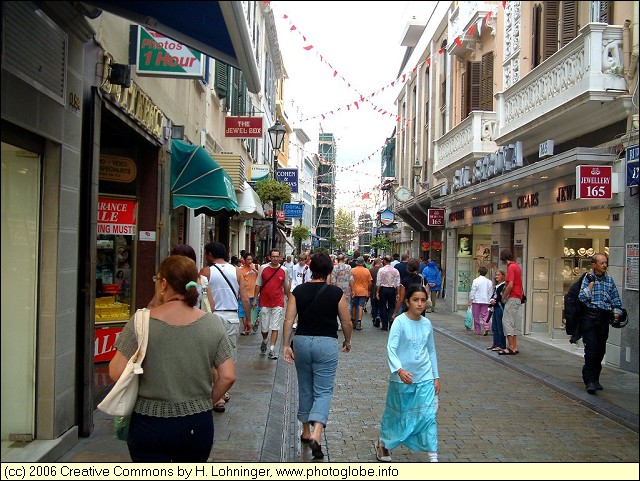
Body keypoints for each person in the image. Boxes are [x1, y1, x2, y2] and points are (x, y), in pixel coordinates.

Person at [109, 255, 235, 462]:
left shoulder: (140, 321)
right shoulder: (212, 323)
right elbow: (228, 377)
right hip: (197, 423)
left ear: (164, 283)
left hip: (147, 422)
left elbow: (115, 372)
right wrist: (204, 403)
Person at [282, 252, 353, 460]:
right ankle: (316, 434)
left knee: (305, 387)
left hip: (302, 341)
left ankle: (305, 431)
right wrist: (347, 341)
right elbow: (346, 322)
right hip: (326, 343)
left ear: (310, 269)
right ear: (330, 271)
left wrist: (286, 344)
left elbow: (288, 320)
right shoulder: (336, 293)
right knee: (323, 391)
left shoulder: (298, 290)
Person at [376, 284, 440, 463]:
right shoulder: (400, 322)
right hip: (402, 379)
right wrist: (399, 370)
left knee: (428, 415)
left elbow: (431, 351)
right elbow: (391, 348)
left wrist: (436, 377)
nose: (420, 304)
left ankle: (433, 456)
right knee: (397, 415)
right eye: (415, 300)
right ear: (407, 302)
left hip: (425, 376)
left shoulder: (427, 324)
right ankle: (383, 443)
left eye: (423, 300)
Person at [204, 242, 252, 412]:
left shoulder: (206, 272)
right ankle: (223, 391)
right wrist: (247, 319)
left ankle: (217, 396)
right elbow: (245, 298)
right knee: (228, 354)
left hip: (212, 316)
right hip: (232, 317)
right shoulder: (236, 271)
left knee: (211, 355)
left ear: (209, 255)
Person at [578, 253, 623, 394]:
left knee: (600, 350)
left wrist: (616, 313)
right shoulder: (587, 279)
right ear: (594, 265)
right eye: (602, 263)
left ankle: (596, 378)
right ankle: (589, 380)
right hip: (590, 318)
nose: (604, 265)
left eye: (605, 262)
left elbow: (616, 300)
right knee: (591, 350)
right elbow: (582, 298)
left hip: (603, 319)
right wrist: (590, 285)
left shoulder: (609, 281)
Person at [255, 249, 291, 360]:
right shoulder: (263, 268)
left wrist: (290, 298)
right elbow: (258, 284)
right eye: (273, 256)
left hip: (278, 302)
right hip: (265, 302)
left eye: (277, 256)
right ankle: (265, 340)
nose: (275, 259)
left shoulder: (284, 270)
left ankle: (272, 349)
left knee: (275, 326)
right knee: (264, 327)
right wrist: (255, 298)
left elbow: (286, 286)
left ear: (280, 257)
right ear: (269, 257)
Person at [498, 249, 523, 356]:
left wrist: (504, 296)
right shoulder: (516, 266)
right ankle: (514, 346)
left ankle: (511, 347)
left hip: (513, 296)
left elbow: (510, 284)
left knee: (506, 321)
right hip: (517, 296)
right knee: (511, 321)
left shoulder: (511, 267)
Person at [376, 255, 401, 331]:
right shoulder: (395, 270)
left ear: (385, 261)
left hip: (383, 289)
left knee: (382, 306)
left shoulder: (381, 270)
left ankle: (384, 325)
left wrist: (377, 292)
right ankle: (391, 318)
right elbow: (398, 283)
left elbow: (378, 282)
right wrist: (398, 293)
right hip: (392, 290)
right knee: (391, 306)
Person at [469, 266, 494, 336]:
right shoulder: (489, 282)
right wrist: (490, 300)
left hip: (476, 300)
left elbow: (473, 291)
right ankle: (486, 326)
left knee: (476, 315)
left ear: (479, 272)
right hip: (486, 300)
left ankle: (477, 330)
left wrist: (471, 299)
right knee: (485, 314)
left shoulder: (476, 280)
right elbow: (490, 292)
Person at [330, 254, 353, 329]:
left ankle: (338, 323)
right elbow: (351, 279)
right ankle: (346, 321)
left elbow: (333, 280)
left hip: (337, 289)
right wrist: (352, 289)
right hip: (347, 288)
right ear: (344, 259)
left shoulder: (335, 267)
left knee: (336, 305)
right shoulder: (348, 267)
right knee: (348, 305)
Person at [239, 252, 259, 335]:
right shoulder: (240, 270)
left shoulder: (257, 267)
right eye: (248, 259)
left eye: (251, 259)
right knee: (243, 312)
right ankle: (246, 328)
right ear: (244, 260)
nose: (250, 261)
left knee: (254, 312)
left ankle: (254, 322)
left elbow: (261, 276)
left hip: (254, 293)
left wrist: (254, 269)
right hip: (244, 294)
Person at [350, 256, 372, 331]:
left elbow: (350, 281)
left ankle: (353, 320)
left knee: (354, 306)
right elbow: (370, 282)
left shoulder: (352, 270)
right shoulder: (366, 271)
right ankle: (359, 321)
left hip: (354, 291)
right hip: (363, 291)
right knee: (361, 306)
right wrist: (369, 290)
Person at [487, 269, 507, 352]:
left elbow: (501, 296)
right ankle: (495, 344)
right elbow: (493, 295)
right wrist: (491, 300)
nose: (496, 276)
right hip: (495, 307)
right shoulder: (497, 286)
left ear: (503, 276)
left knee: (500, 327)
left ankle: (501, 345)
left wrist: (495, 300)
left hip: (500, 308)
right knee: (494, 327)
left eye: (498, 275)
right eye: (496, 275)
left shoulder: (504, 285)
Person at [369, 257, 383, 327]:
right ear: (380, 263)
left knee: (374, 305)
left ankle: (374, 318)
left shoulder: (371, 270)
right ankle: (379, 316)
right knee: (380, 304)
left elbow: (369, 281)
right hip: (381, 288)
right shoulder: (382, 270)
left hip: (373, 289)